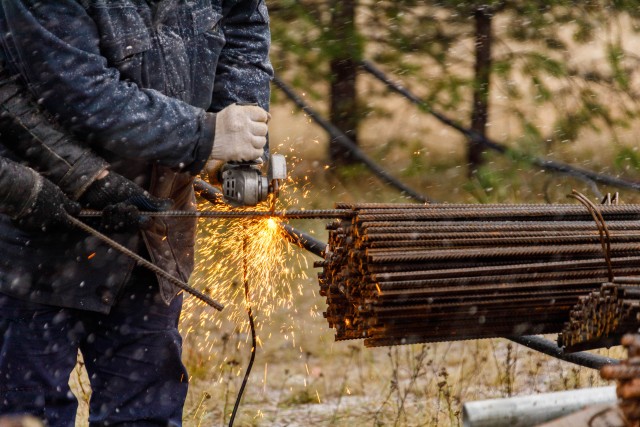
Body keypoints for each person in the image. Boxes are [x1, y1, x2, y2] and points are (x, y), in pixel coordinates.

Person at [0, 1, 272, 425]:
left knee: (145, 414)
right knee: (26, 412)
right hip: (34, 238)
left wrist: (238, 127)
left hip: (153, 236)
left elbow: (242, 21)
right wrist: (203, 135)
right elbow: (75, 88)